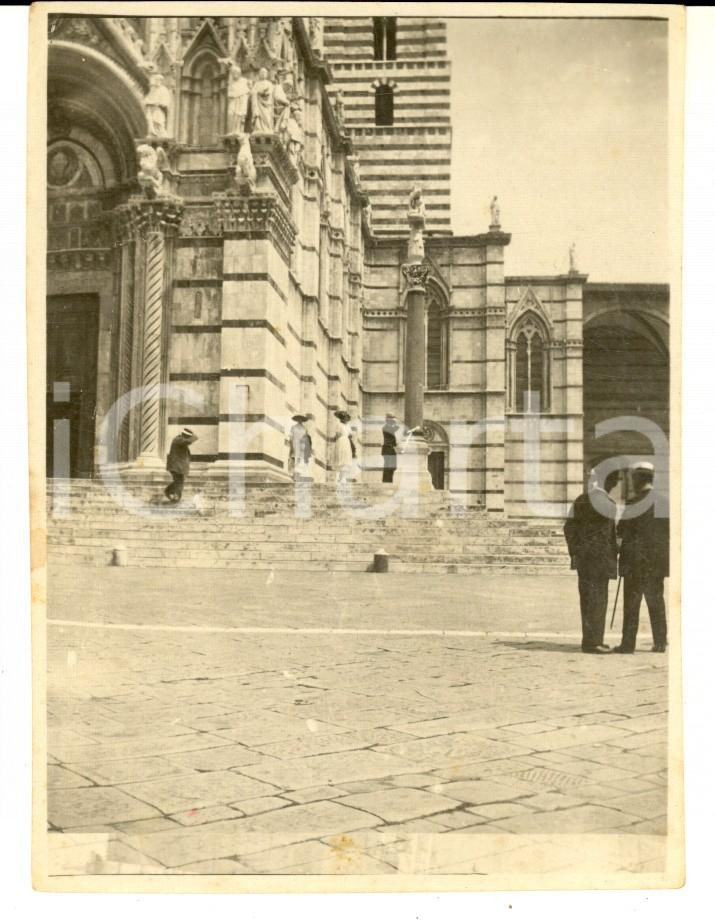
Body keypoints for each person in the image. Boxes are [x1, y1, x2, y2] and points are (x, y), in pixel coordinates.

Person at [613, 462, 669, 653]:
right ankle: (660, 642)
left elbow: (621, 531)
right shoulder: (664, 502)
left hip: (634, 563)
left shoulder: (632, 503)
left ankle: (628, 644)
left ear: (637, 480)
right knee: (656, 602)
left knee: (631, 605)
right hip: (656, 563)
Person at [563, 469, 620, 653]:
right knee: (599, 599)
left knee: (587, 599)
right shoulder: (610, 505)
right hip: (601, 561)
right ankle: (594, 642)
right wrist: (617, 552)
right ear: (609, 485)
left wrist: (575, 552)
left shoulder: (581, 499)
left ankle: (590, 640)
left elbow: (568, 528)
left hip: (584, 560)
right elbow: (612, 536)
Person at [164, 428, 198, 503]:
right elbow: (193, 439)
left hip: (178, 466)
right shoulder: (178, 440)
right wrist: (193, 435)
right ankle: (175, 497)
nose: (187, 439)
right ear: (185, 435)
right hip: (176, 466)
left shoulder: (180, 440)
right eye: (187, 436)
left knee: (178, 481)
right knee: (179, 482)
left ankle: (169, 491)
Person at [288, 414, 312, 481]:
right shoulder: (293, 427)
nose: (300, 420)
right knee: (294, 458)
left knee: (300, 460)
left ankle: (298, 475)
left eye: (301, 419)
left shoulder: (304, 429)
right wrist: (291, 446)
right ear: (297, 419)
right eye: (299, 419)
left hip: (302, 445)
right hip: (295, 444)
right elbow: (291, 437)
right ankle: (293, 474)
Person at [333, 410, 354, 485]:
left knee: (344, 458)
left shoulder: (341, 425)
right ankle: (341, 478)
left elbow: (338, 435)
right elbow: (350, 435)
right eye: (344, 418)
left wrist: (334, 438)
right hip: (344, 441)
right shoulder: (345, 425)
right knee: (342, 458)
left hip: (343, 441)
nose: (345, 419)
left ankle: (342, 478)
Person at [381, 414, 401, 483]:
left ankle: (389, 480)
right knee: (388, 466)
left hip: (390, 450)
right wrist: (396, 422)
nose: (393, 422)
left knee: (392, 466)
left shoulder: (388, 427)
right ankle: (387, 481)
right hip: (387, 449)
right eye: (392, 420)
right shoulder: (386, 427)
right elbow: (396, 428)